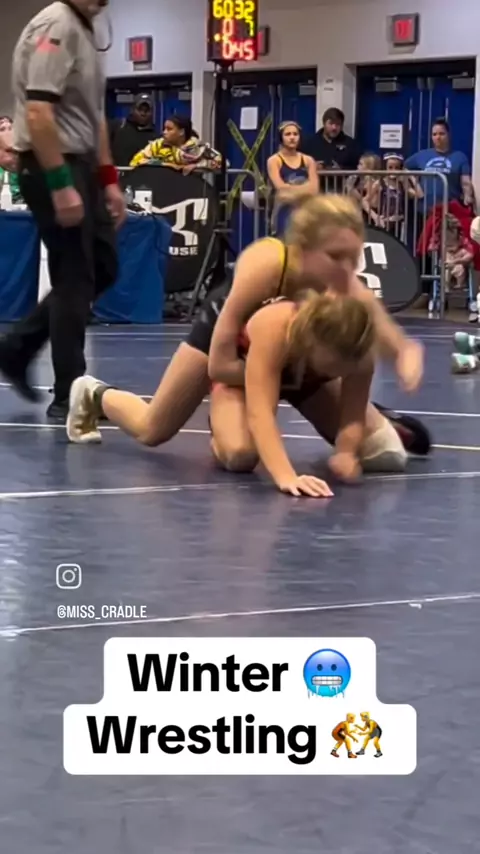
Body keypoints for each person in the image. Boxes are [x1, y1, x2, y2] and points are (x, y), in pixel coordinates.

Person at [66, 194, 430, 464]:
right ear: (304, 249)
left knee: (382, 456)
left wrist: (405, 354)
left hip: (291, 365)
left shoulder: (343, 283)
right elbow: (219, 364)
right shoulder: (267, 266)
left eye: (354, 258)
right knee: (156, 429)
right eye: (336, 257)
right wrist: (268, 375)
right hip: (233, 353)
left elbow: (387, 334)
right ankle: (95, 395)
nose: (347, 270)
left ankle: (372, 413)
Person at [0, 0, 126, 420]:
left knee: (103, 267)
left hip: (82, 164)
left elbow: (95, 116)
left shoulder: (87, 29)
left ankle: (17, 346)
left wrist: (108, 178)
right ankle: (70, 394)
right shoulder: (55, 25)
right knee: (74, 277)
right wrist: (59, 182)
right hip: (52, 163)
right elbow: (38, 112)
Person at [209, 289, 380, 495]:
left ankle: (391, 422)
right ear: (312, 341)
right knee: (240, 455)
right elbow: (261, 414)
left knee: (382, 451)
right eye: (333, 365)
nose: (340, 372)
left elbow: (353, 415)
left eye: (345, 369)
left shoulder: (360, 355)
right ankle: (219, 432)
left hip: (304, 383)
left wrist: (346, 451)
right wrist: (286, 476)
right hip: (242, 383)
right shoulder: (275, 330)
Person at [405, 118, 473, 212]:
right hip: (424, 210)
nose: (438, 137)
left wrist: (468, 197)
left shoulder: (460, 157)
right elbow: (401, 168)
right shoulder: (421, 155)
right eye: (434, 134)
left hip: (449, 211)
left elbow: (465, 183)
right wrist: (412, 187)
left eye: (441, 134)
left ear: (448, 135)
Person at [267, 121, 318, 235]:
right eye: (288, 134)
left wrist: (290, 190)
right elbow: (281, 188)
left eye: (295, 134)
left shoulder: (308, 160)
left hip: (305, 212)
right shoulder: (274, 160)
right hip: (282, 212)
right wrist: (305, 188)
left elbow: (314, 190)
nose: (292, 137)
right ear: (281, 137)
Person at [129, 114, 221, 174]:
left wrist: (197, 166)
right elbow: (135, 161)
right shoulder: (157, 145)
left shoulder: (197, 147)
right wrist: (167, 165)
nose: (164, 132)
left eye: (169, 129)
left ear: (181, 132)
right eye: (164, 129)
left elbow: (221, 163)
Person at [302, 107, 360, 172]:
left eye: (338, 124)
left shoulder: (350, 144)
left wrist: (340, 169)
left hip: (342, 178)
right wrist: (313, 166)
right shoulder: (309, 143)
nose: (334, 128)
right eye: (331, 123)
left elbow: (357, 167)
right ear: (324, 123)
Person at [109, 93, 157, 168]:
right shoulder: (118, 127)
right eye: (140, 109)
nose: (143, 113)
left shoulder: (155, 138)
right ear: (132, 110)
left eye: (146, 110)